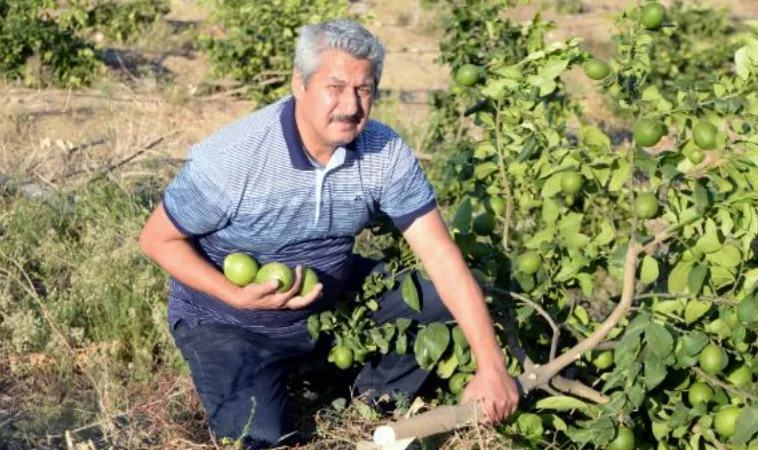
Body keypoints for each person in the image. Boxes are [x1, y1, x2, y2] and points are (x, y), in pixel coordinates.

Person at [137, 19, 519, 449]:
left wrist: (492, 366)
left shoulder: (383, 152)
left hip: (325, 304)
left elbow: (442, 257)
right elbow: (156, 239)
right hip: (229, 323)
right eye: (334, 87)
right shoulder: (235, 158)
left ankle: (373, 407)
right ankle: (278, 381)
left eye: (364, 90)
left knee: (434, 295)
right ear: (299, 83)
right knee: (261, 439)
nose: (351, 105)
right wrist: (233, 293)